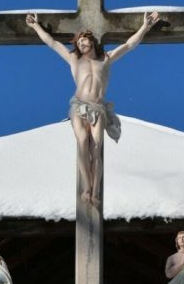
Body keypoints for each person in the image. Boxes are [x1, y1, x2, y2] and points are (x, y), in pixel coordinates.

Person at [26, 11, 160, 206]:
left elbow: (129, 45)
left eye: (84, 40)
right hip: (79, 105)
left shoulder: (105, 59)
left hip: (97, 108)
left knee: (96, 148)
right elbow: (52, 43)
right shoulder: (74, 59)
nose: (81, 44)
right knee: (82, 142)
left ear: (92, 41)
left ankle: (95, 191)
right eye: (79, 42)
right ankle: (86, 188)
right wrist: (36, 26)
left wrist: (145, 27)